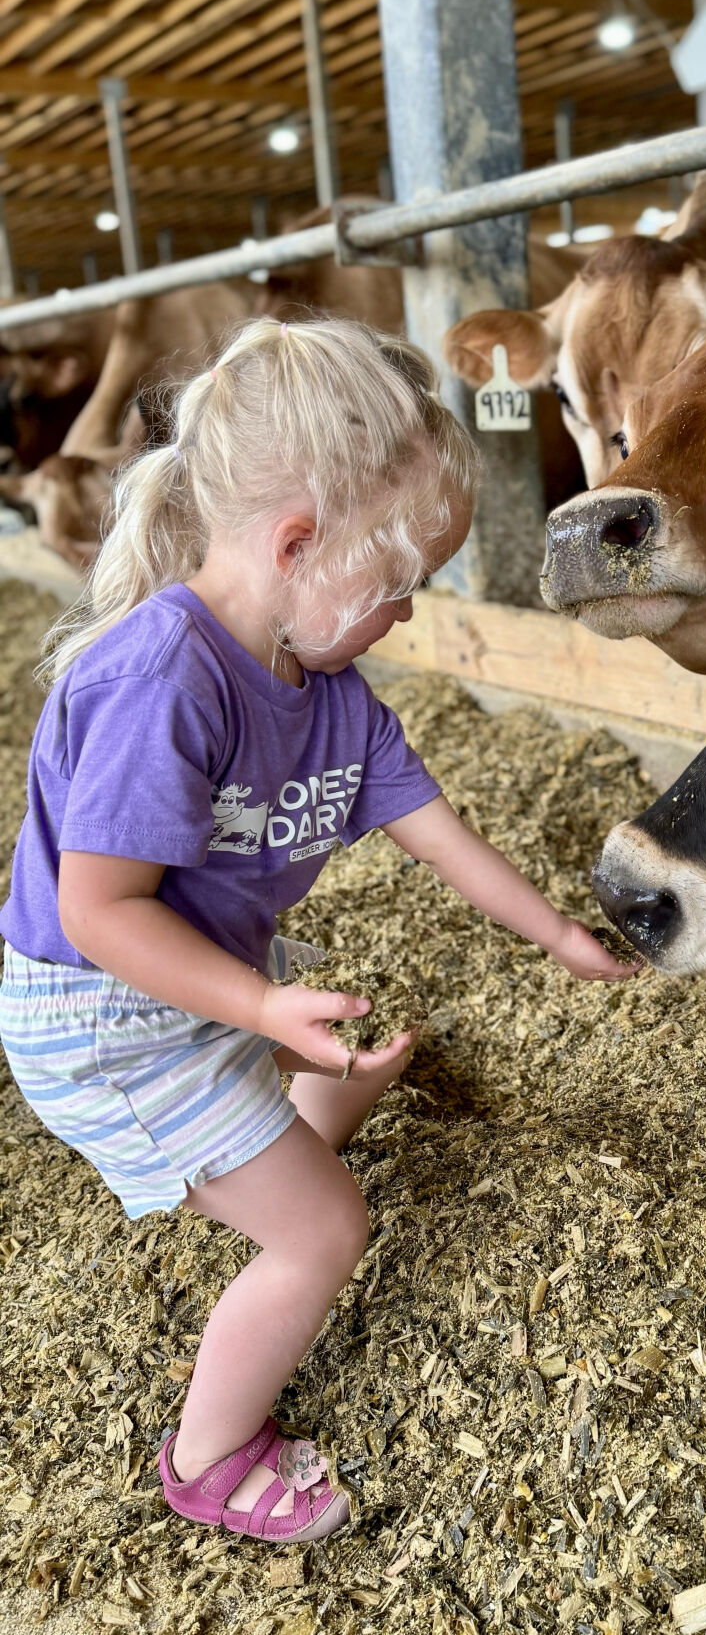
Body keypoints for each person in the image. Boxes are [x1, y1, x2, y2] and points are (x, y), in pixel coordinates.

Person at [0, 317, 636, 1544]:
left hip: (200, 979)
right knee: (328, 1229)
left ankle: (283, 1121)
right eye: (397, 580)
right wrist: (257, 1005)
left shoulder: (328, 688)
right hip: (103, 1015)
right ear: (295, 545)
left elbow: (435, 831)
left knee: (325, 1047)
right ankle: (208, 1454)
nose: (407, 610)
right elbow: (98, 911)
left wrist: (554, 932)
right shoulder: (162, 679)